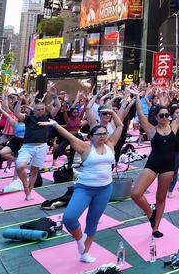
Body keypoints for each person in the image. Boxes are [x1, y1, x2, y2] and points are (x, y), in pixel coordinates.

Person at [43, 101, 130, 263]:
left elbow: (119, 127)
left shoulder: (110, 144)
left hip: (104, 189)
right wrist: (55, 125)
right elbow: (68, 135)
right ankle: (79, 240)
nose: (103, 136)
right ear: (91, 137)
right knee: (69, 218)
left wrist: (112, 111)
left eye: (105, 133)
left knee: (92, 222)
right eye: (99, 134)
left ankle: (84, 253)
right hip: (85, 188)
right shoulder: (84, 148)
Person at [132, 91, 179, 237]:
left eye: (166, 115)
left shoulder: (174, 126)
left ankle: (155, 227)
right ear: (156, 117)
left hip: (168, 167)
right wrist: (137, 97)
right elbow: (141, 114)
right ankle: (150, 212)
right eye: (161, 115)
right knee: (136, 194)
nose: (164, 118)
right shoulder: (151, 130)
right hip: (153, 163)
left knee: (160, 198)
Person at [15, 95, 60, 200]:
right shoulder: (28, 118)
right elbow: (16, 113)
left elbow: (57, 107)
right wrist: (20, 100)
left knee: (34, 170)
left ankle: (29, 192)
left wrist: (54, 96)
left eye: (42, 109)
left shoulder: (47, 117)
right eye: (38, 109)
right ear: (33, 110)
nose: (40, 111)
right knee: (19, 166)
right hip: (27, 147)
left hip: (42, 147)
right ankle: (26, 186)